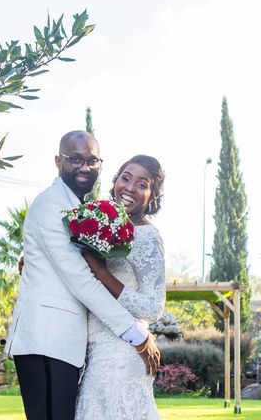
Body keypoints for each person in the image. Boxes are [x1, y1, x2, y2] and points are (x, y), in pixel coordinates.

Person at [5, 132, 160, 420]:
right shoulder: (52, 203)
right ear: (58, 161)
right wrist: (135, 334)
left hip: (72, 345)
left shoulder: (84, 211)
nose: (84, 167)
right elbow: (82, 279)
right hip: (47, 339)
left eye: (92, 160)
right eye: (75, 159)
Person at [75, 155, 166, 420]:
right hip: (94, 351)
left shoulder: (148, 237)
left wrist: (102, 272)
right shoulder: (101, 227)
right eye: (125, 178)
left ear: (152, 195)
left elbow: (152, 308)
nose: (129, 188)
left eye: (142, 184)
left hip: (123, 354)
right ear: (115, 181)